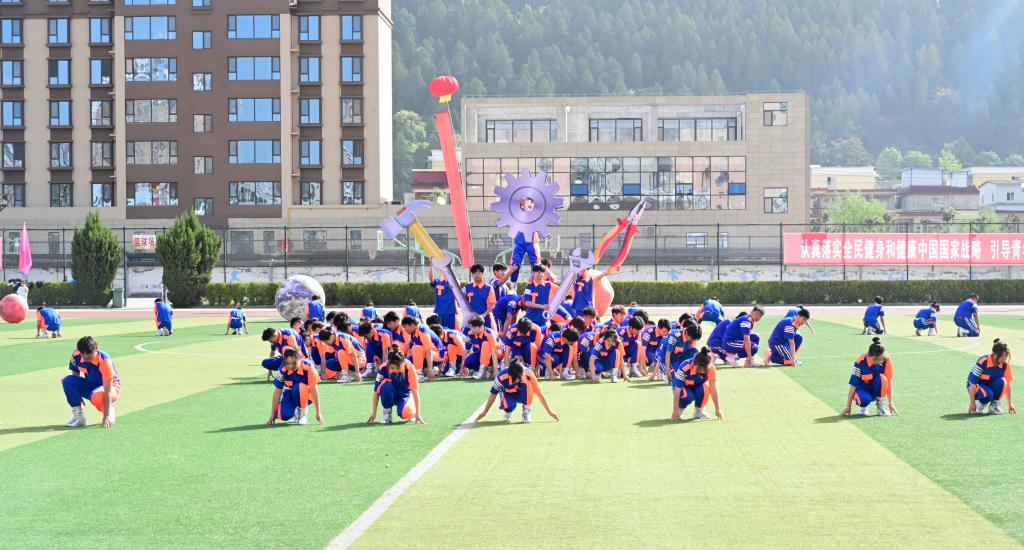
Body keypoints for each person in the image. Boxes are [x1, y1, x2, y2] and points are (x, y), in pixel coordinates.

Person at [475, 360, 559, 424]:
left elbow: (539, 394)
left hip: (523, 394)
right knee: (507, 405)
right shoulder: (501, 377)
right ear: (511, 375)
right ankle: (508, 411)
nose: (521, 378)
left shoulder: (528, 374)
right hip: (508, 394)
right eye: (519, 377)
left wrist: (550, 412)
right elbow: (493, 393)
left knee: (528, 384)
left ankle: (527, 410)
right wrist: (485, 411)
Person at [62, 336, 119, 428]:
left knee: (97, 397)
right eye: (83, 355)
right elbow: (75, 376)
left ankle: (109, 411)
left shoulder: (104, 360)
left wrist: (106, 415)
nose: (86, 358)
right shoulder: (75, 355)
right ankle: (79, 418)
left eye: (89, 355)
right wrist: (77, 394)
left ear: (96, 349)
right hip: (91, 386)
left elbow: (107, 391)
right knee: (67, 381)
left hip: (111, 388)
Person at [267, 347, 324, 425]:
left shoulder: (308, 366)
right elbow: (277, 391)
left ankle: (303, 414)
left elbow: (314, 389)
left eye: (293, 363)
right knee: (284, 415)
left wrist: (318, 412)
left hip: (306, 395)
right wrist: (272, 415)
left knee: (299, 387)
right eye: (287, 363)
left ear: (299, 358)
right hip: (289, 393)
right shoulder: (282, 369)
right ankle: (295, 410)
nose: (290, 366)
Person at [368, 347, 425, 424]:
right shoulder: (383, 368)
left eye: (398, 368)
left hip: (405, 395)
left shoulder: (409, 367)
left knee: (405, 413)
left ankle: (410, 407)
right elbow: (376, 391)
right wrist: (374, 413)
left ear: (403, 363)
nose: (395, 370)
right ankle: (387, 413)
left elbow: (415, 391)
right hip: (391, 393)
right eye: (392, 368)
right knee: (385, 385)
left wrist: (418, 414)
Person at [841, 338, 895, 417]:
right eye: (874, 359)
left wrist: (890, 403)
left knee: (882, 378)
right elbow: (853, 384)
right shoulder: (860, 362)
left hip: (876, 391)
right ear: (868, 355)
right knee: (864, 399)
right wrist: (848, 406)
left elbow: (889, 381)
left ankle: (881, 408)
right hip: (862, 390)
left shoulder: (886, 359)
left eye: (880, 359)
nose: (878, 362)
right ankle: (863, 407)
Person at [671, 347, 723, 421]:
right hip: (681, 386)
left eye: (704, 370)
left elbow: (713, 388)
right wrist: (675, 411)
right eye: (699, 369)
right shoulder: (684, 366)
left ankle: (698, 411)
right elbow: (677, 391)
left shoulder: (711, 368)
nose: (701, 372)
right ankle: (680, 409)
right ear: (694, 364)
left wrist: (717, 408)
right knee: (688, 396)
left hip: (696, 386)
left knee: (705, 389)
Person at [967, 339, 1015, 415]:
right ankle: (980, 406)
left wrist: (1010, 404)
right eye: (1002, 355)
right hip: (975, 385)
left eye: (1006, 355)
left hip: (989, 385)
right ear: (994, 353)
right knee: (988, 394)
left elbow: (1007, 385)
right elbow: (972, 383)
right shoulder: (983, 361)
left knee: (1003, 381)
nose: (1004, 358)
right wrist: (972, 403)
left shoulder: (1005, 365)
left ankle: (993, 407)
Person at [399, 315, 442, 382]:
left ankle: (419, 374)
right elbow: (410, 351)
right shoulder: (414, 332)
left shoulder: (423, 332)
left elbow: (429, 351)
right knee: (405, 363)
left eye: (405, 326)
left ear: (412, 325)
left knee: (416, 348)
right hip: (428, 355)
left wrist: (430, 370)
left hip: (437, 355)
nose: (404, 329)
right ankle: (426, 370)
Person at [509, 200, 540, 283]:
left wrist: (527, 205)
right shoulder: (518, 212)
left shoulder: (536, 213)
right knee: (515, 265)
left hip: (531, 242)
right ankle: (513, 285)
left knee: (536, 265)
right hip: (520, 242)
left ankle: (534, 284)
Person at [464, 315, 501, 380]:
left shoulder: (489, 333)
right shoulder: (470, 334)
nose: (472, 329)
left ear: (481, 327)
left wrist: (496, 369)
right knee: (468, 362)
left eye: (474, 328)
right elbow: (466, 350)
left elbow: (494, 351)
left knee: (485, 344)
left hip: (498, 354)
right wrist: (463, 367)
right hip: (484, 354)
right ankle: (487, 369)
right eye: (471, 327)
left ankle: (484, 371)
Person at [464, 264, 498, 329]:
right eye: (474, 273)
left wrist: (483, 316)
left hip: (486, 320)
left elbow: (492, 305)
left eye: (479, 272)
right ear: (472, 274)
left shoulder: (489, 288)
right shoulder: (467, 287)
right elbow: (459, 296)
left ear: (483, 273)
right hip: (471, 321)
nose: (476, 275)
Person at [429, 265, 459, 330]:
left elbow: (458, 292)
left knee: (452, 330)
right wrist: (431, 266)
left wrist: (453, 286)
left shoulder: (454, 282)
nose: (445, 274)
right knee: (441, 330)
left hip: (451, 311)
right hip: (441, 311)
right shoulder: (438, 282)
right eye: (444, 272)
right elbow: (431, 279)